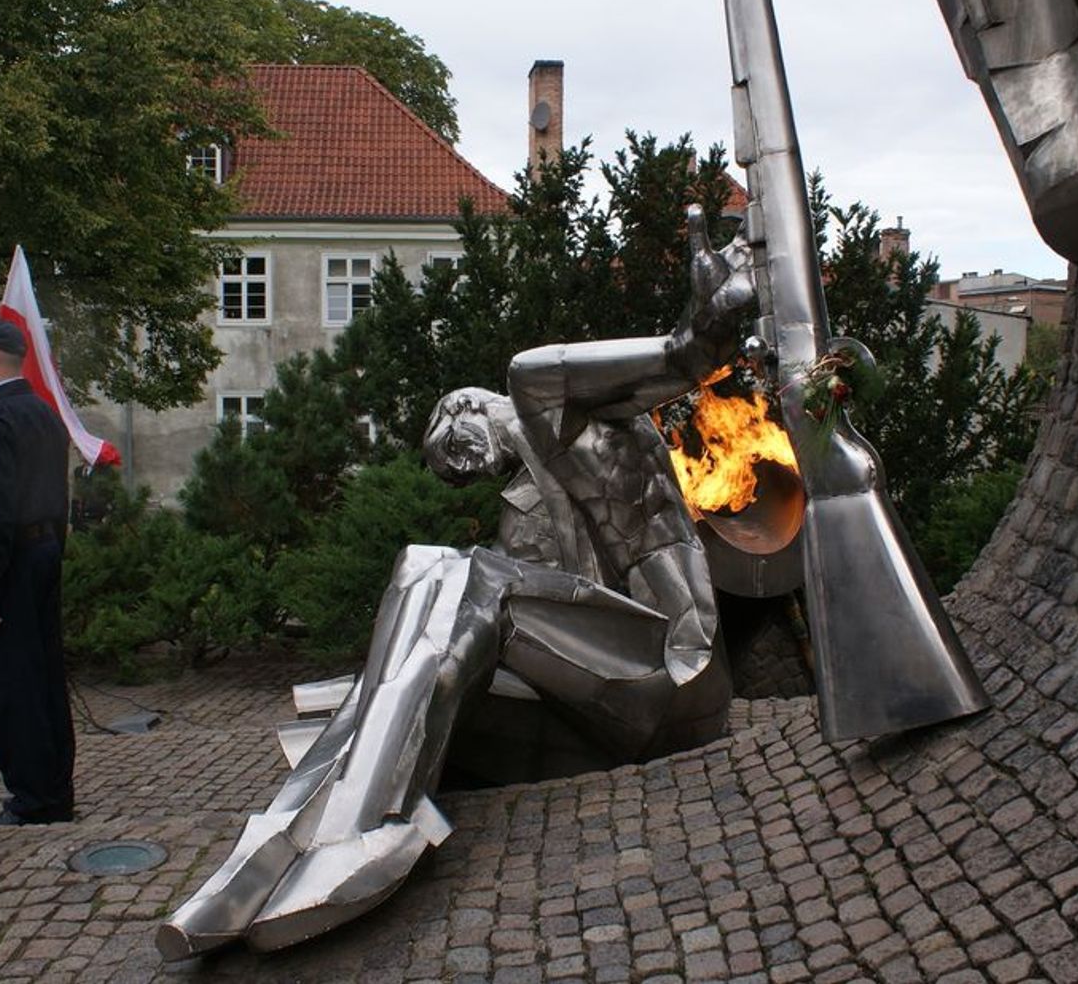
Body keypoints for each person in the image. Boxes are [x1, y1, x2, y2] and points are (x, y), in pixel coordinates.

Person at [159, 208, 747, 956]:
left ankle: (362, 829)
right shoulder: (525, 508)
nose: (459, 468)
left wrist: (710, 322)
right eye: (452, 468)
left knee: (457, 573)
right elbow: (513, 631)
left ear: (467, 404)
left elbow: (687, 356)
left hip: (678, 670)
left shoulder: (543, 392)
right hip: (616, 694)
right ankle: (282, 839)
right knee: (425, 567)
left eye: (452, 448)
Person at [0, 318, 73, 826]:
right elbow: (59, 498)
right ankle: (54, 790)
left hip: (10, 563)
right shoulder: (43, 413)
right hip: (42, 551)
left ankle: (32, 798)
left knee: (11, 687)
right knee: (44, 680)